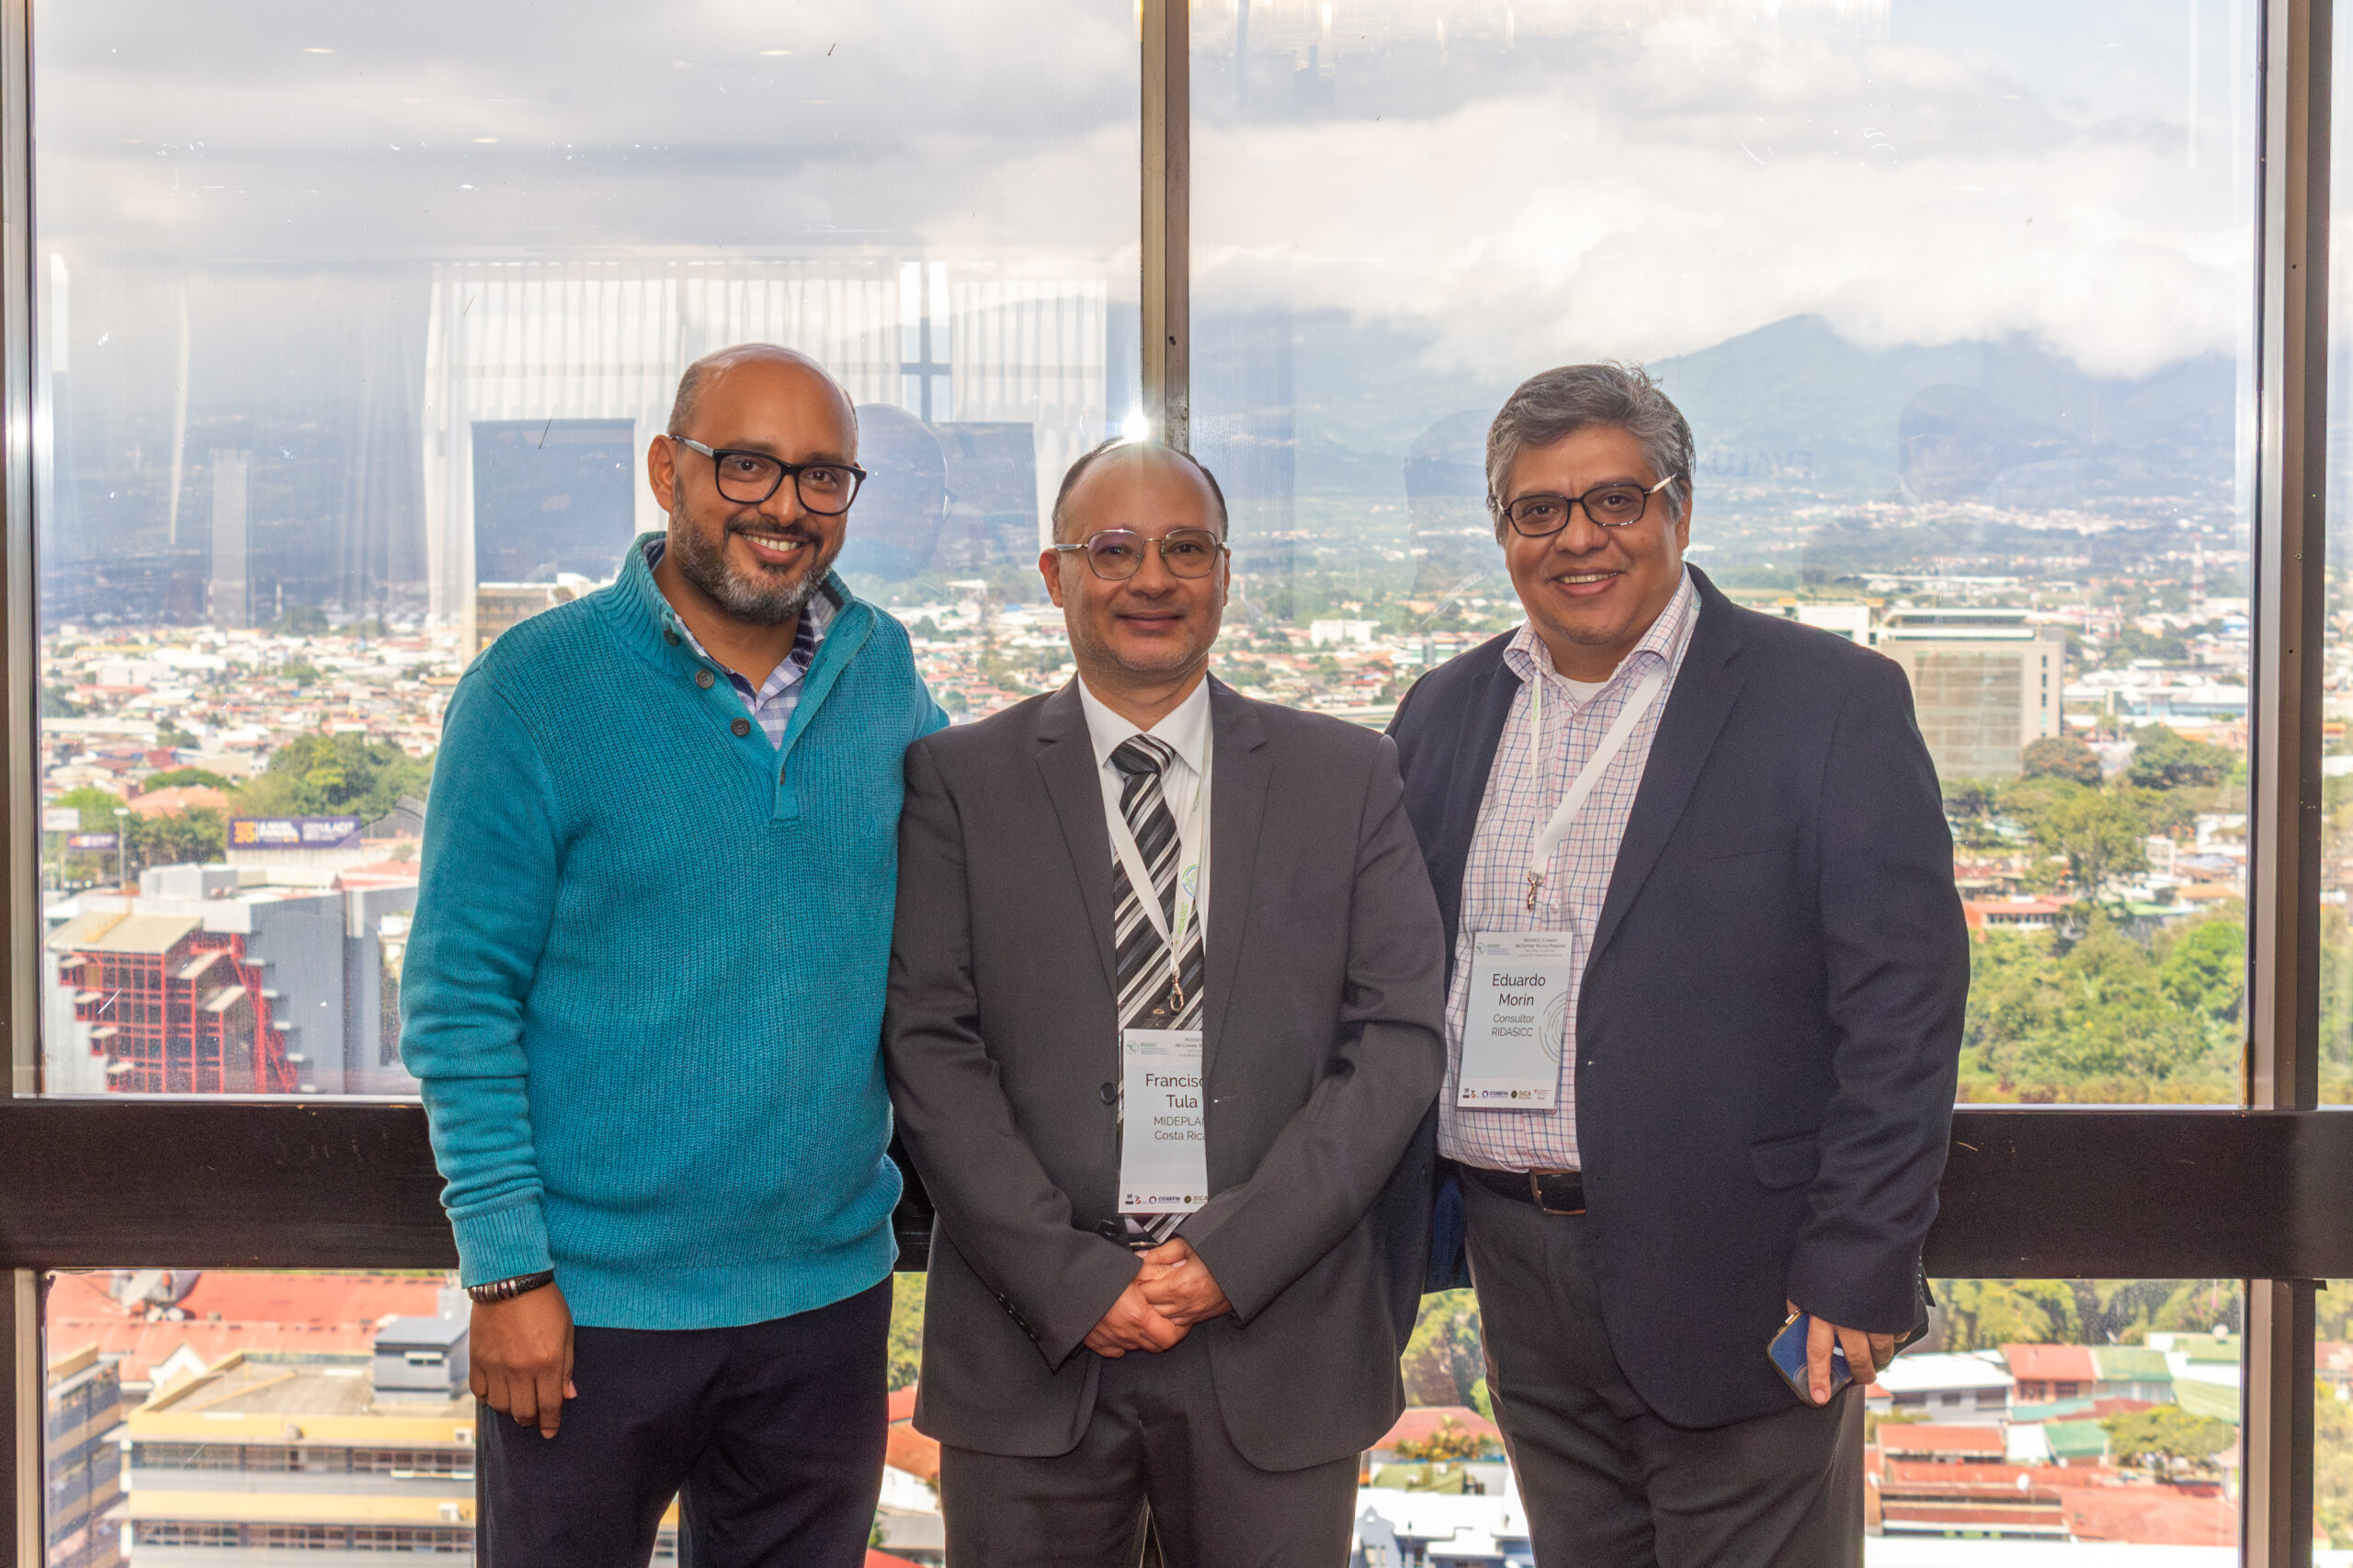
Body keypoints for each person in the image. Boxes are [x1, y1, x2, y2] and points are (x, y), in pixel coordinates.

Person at [1388, 363, 1968, 1566]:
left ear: (1681, 507)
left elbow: (1903, 1013)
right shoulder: (1442, 713)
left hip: (1747, 1280)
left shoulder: (1830, 702)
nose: (1578, 537)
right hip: (1515, 1268)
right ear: (1502, 531)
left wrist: (1860, 1262)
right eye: (1538, 509)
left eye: (1616, 498)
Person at [402, 344, 945, 1567]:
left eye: (822, 475)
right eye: (747, 465)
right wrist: (505, 1275)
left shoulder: (883, 670)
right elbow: (458, 1003)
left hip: (826, 1305)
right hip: (587, 1309)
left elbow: (988, 857)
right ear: (667, 470)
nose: (786, 505)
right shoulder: (533, 691)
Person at [885, 439, 1447, 1567]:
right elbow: (929, 1047)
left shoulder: (1346, 775)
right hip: (1028, 1339)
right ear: (1055, 574)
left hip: (1276, 1329)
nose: (1152, 577)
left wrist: (1229, 1257)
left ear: (1225, 573)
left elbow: (1396, 1040)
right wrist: (1071, 1279)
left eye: (1185, 548)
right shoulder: (959, 780)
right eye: (1114, 549)